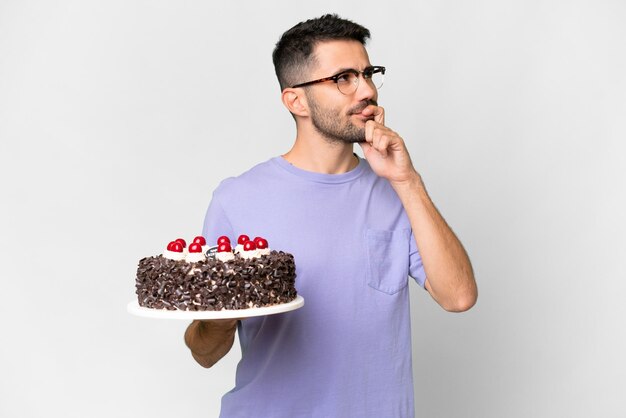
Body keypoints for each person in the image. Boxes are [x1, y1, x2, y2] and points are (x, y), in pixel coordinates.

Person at [184, 14, 477, 418]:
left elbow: (458, 296)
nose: (368, 90)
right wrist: (222, 317)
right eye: (343, 78)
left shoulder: (397, 191)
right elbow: (204, 352)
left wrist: (407, 181)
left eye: (368, 73)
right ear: (296, 100)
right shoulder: (238, 199)